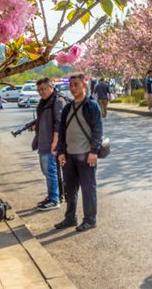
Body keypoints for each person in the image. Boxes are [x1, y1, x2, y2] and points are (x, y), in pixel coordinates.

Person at [55, 74, 103, 232]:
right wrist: (61, 151)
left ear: (84, 85)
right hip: (69, 155)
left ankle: (90, 219)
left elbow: (97, 130)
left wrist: (94, 151)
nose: (73, 88)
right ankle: (70, 218)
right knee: (70, 189)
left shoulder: (92, 106)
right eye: (71, 85)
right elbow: (62, 131)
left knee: (88, 189)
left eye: (76, 84)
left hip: (86, 155)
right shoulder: (68, 107)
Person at [34, 78, 64, 211]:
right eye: (39, 90)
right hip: (43, 142)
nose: (41, 92)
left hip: (50, 144)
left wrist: (55, 142)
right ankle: (52, 195)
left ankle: (54, 199)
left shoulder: (57, 101)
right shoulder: (44, 102)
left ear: (51, 87)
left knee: (51, 171)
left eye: (44, 89)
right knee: (47, 171)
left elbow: (59, 123)